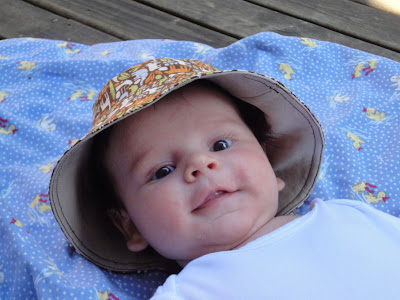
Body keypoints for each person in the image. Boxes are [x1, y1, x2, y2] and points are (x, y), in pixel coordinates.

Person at [49, 58, 400, 299]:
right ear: (130, 226)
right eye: (162, 171)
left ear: (272, 167)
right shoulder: (185, 294)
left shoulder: (351, 215)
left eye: (220, 145)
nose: (200, 165)